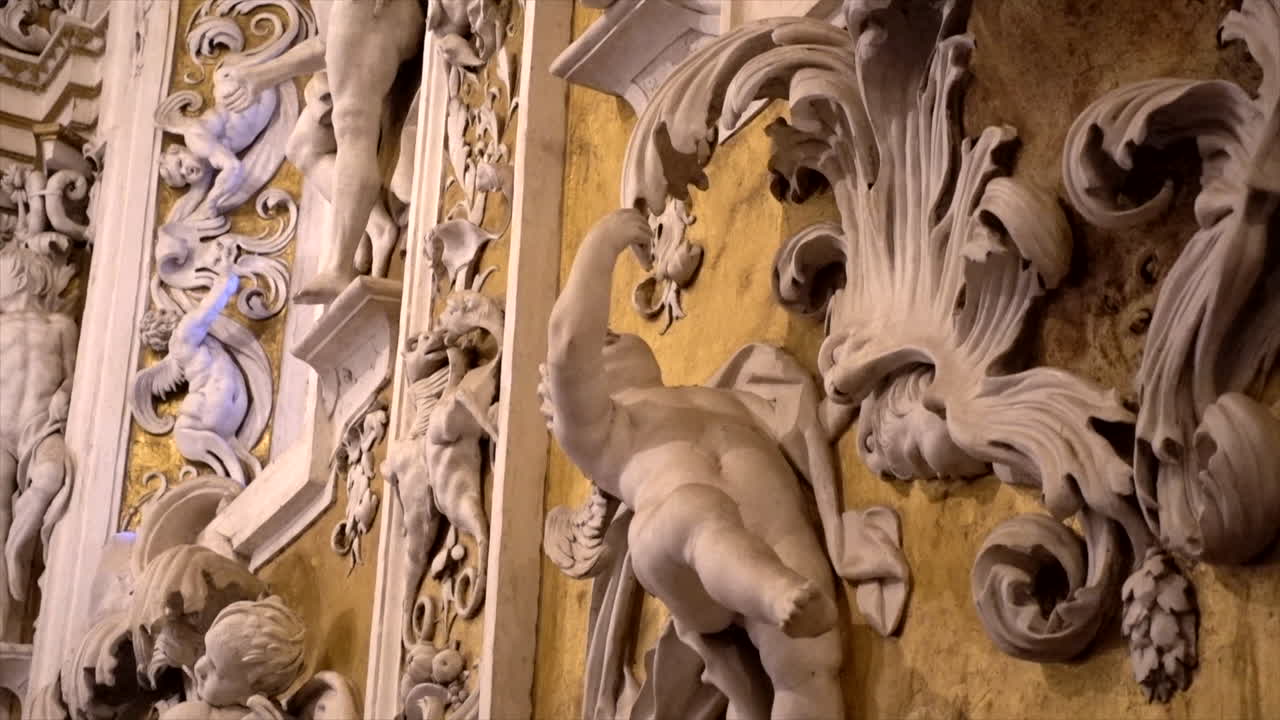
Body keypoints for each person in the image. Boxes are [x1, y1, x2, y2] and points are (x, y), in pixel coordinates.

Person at [543, 209, 845, 719]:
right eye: (600, 339)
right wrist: (605, 240)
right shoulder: (601, 429)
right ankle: (771, 592)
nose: (605, 333)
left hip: (773, 532)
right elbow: (569, 344)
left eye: (610, 332)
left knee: (811, 667)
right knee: (697, 511)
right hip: (672, 545)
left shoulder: (722, 395)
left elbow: (803, 430)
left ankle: (778, 602)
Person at [219, 0, 425, 302]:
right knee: (302, 145)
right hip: (359, 20)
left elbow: (344, 26)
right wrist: (262, 75)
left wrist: (263, 75)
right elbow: (329, 39)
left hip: (378, 12)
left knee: (352, 122)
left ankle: (337, 268)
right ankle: (376, 227)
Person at [0, 241, 76, 632]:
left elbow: (74, 374)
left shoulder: (60, 326)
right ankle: (5, 620)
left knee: (50, 475)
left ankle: (19, 547)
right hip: (0, 432)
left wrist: (65, 392)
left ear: (18, 276)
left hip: (40, 426)